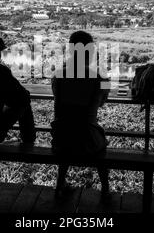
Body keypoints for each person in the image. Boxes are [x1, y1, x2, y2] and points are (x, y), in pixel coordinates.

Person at [51, 31, 110, 196]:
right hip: (88, 136)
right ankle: (105, 190)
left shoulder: (57, 75)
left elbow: (58, 98)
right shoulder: (100, 78)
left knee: (67, 144)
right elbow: (102, 102)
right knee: (101, 149)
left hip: (62, 136)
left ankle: (59, 185)